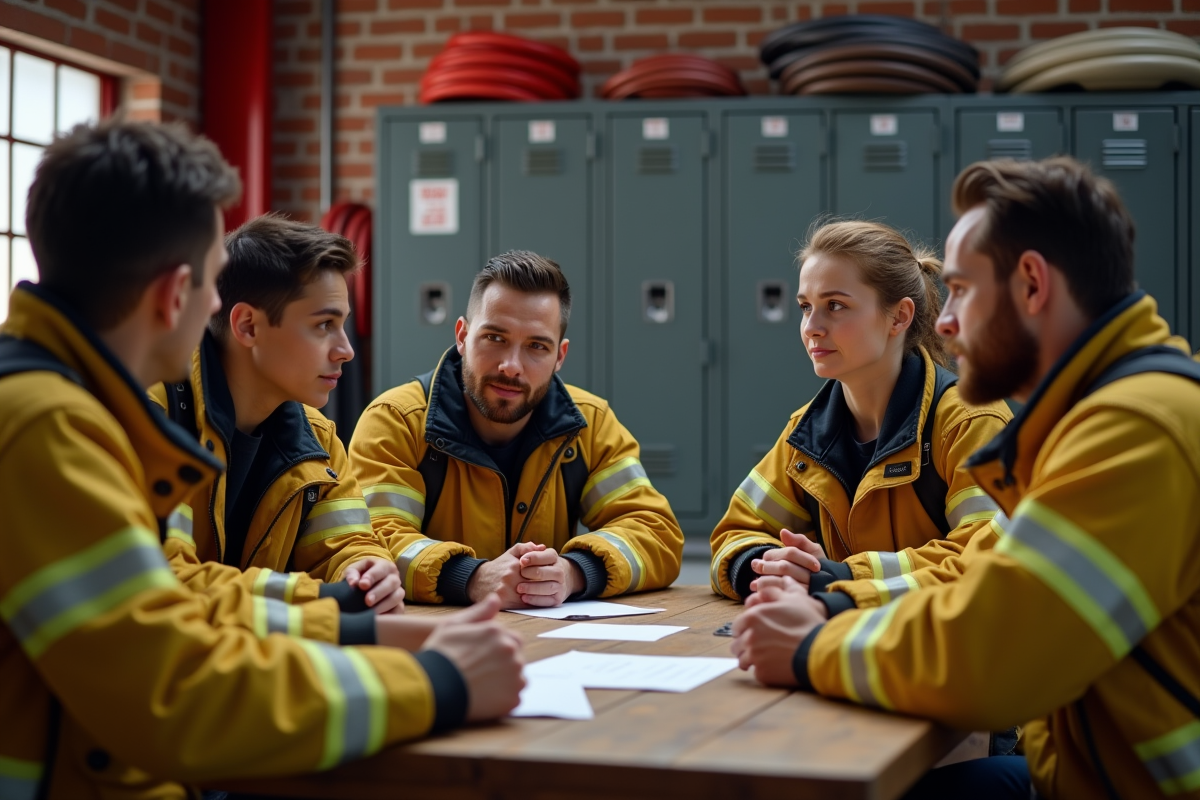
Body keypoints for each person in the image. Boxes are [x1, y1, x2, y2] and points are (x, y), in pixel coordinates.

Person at [0, 119, 523, 799]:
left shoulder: (63, 408)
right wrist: (437, 682)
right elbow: (177, 693)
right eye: (212, 284)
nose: (214, 307)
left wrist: (360, 621)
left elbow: (173, 617)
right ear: (174, 294)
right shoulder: (50, 426)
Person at [731, 156, 1200, 799]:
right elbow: (999, 594)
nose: (944, 321)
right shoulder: (1113, 411)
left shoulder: (1135, 429)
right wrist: (824, 595)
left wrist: (816, 641)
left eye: (960, 290)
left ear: (1032, 284)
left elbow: (997, 655)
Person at [349, 250, 684, 607]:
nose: (511, 366)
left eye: (536, 346)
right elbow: (370, 544)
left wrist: (573, 572)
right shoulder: (396, 421)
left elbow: (656, 534)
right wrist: (471, 577)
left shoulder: (590, 424)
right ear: (462, 336)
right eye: (495, 338)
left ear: (560, 357)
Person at [710, 220, 1011, 612]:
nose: (811, 328)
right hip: (840, 632)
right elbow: (733, 535)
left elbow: (984, 559)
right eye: (805, 307)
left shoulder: (968, 422)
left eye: (835, 306)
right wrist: (772, 569)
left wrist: (842, 577)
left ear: (899, 317)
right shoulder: (806, 434)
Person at [149, 215, 403, 647]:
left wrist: (367, 572)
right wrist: (324, 598)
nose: (346, 349)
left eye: (343, 324)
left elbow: (346, 546)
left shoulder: (318, 439)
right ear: (247, 326)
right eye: (324, 325)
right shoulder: (156, 417)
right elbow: (169, 579)